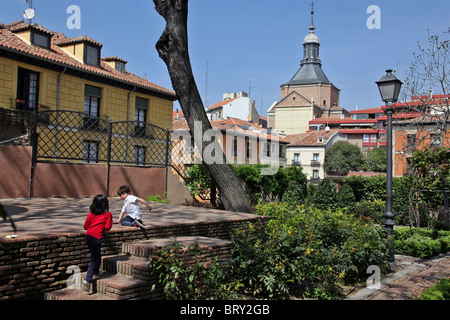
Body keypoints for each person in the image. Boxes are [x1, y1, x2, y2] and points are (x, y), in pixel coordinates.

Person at [83, 194, 112, 289]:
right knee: (94, 258)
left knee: (96, 254)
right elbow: (107, 227)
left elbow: (86, 227)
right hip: (96, 238)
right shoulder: (108, 214)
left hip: (88, 236)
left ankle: (96, 270)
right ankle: (88, 279)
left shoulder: (90, 214)